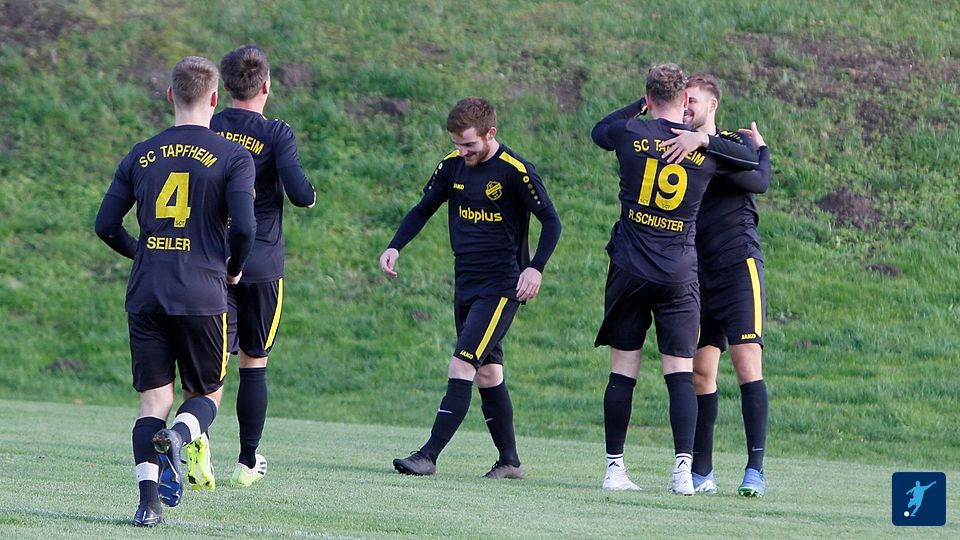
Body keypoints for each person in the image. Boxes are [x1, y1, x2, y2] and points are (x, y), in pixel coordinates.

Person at [95, 55, 256, 526]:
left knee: (153, 402)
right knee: (208, 392)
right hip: (202, 292)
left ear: (170, 95)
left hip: (148, 290)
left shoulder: (141, 153)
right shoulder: (233, 156)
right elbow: (245, 227)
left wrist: (143, 252)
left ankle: (148, 506)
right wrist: (234, 268)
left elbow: (106, 225)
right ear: (215, 98)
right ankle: (181, 438)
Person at [591, 64, 758, 495]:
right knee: (680, 372)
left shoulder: (631, 132)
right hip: (679, 272)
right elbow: (752, 163)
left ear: (648, 98)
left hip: (629, 267)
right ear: (685, 99)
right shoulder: (702, 150)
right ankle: (683, 472)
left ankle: (615, 469)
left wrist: (641, 106)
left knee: (622, 370)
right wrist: (705, 139)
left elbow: (599, 130)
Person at [379, 97, 561, 479]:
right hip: (465, 281)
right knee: (488, 372)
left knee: (462, 363)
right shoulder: (452, 166)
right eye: (457, 144)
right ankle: (510, 462)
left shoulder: (515, 171)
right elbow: (422, 208)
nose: (463, 152)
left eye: (469, 145)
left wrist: (535, 268)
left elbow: (551, 221)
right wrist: (395, 246)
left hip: (502, 285)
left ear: (490, 133)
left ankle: (428, 456)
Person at [184, 45, 317, 490]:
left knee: (211, 361)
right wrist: (310, 194)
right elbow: (300, 193)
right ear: (267, 86)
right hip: (261, 264)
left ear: (223, 88)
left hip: (211, 262)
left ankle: (197, 441)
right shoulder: (276, 133)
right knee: (254, 362)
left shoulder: (211, 126)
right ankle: (246, 462)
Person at [677, 73, 772, 498]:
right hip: (698, 272)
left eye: (693, 101)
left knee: (746, 362)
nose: (686, 107)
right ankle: (702, 473)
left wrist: (759, 149)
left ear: (712, 105)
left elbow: (758, 179)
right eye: (682, 101)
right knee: (700, 372)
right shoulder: (679, 146)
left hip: (738, 266)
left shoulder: (732, 142)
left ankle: (755, 470)